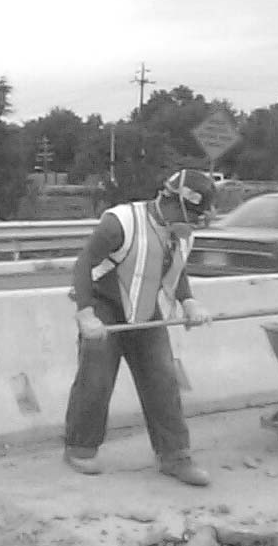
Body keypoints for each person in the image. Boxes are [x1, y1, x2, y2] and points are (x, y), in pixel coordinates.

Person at [63, 169, 216, 486]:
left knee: (162, 378)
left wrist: (188, 301)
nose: (193, 223)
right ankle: (80, 447)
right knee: (96, 378)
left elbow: (176, 270)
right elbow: (84, 264)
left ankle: (175, 456)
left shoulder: (181, 232)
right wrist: (85, 314)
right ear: (171, 200)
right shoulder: (121, 222)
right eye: (192, 214)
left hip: (144, 311)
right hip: (104, 306)